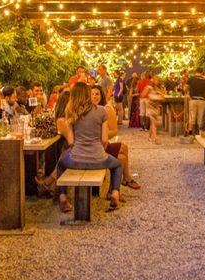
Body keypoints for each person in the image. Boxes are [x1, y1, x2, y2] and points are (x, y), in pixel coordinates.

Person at [54, 83, 124, 213]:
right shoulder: (101, 111)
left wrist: (79, 150)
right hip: (98, 158)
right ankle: (115, 193)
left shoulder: (70, 112)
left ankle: (63, 196)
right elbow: (104, 139)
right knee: (118, 165)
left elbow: (70, 142)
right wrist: (98, 151)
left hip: (76, 159)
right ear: (88, 94)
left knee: (60, 164)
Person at [90, 85, 141, 191]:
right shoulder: (87, 109)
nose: (94, 96)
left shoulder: (106, 109)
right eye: (92, 94)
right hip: (95, 146)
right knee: (122, 155)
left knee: (123, 150)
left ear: (102, 96)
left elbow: (113, 131)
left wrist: (99, 134)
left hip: (100, 143)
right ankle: (124, 181)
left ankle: (119, 185)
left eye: (97, 94)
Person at [186, 68, 205, 135]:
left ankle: (190, 133)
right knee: (201, 118)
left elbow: (185, 88)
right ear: (202, 72)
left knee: (191, 117)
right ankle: (199, 134)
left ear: (195, 72)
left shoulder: (191, 79)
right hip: (202, 100)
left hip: (193, 99)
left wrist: (187, 93)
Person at [142, 75, 164, 144]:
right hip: (150, 106)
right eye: (155, 80)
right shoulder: (149, 87)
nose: (157, 81)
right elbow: (142, 95)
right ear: (153, 80)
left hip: (156, 107)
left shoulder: (159, 88)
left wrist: (160, 95)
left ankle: (149, 137)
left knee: (154, 124)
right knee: (153, 122)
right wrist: (149, 96)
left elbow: (163, 98)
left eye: (158, 80)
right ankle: (156, 138)